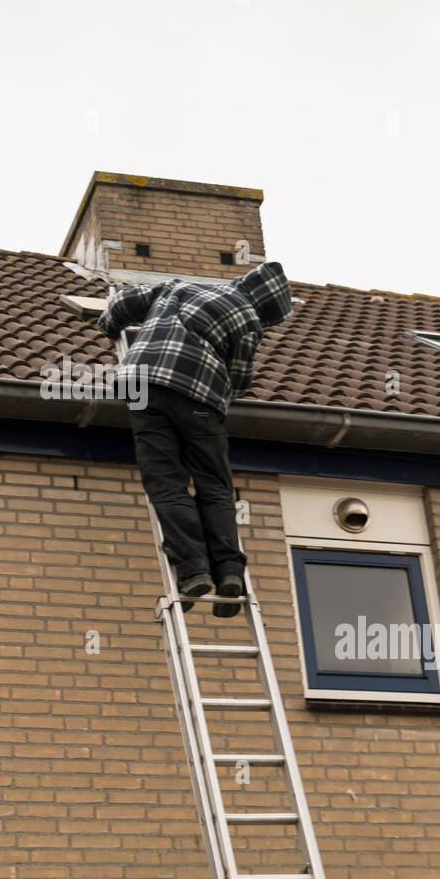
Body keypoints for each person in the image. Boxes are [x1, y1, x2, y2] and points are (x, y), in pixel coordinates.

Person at [98, 262, 293, 616]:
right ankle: (230, 572)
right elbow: (238, 380)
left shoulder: (180, 287)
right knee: (213, 485)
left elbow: (125, 304)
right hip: (201, 403)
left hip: (142, 386)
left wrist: (109, 326)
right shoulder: (248, 321)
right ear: (266, 310)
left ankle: (192, 572)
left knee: (165, 482)